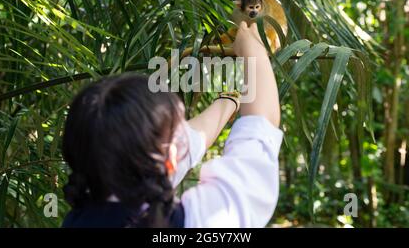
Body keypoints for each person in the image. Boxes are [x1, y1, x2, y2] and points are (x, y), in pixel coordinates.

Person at [61, 21, 283, 227]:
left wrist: (229, 101)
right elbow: (259, 133)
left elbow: (190, 139)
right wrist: (253, 49)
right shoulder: (195, 220)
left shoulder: (79, 218)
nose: (185, 133)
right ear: (169, 158)